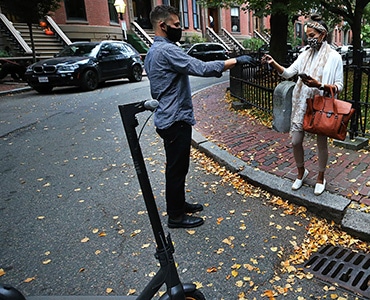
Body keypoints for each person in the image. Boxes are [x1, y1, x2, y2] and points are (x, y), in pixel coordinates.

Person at [145, 5, 255, 228]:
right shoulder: (166, 50)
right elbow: (201, 68)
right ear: (162, 25)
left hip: (168, 116)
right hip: (175, 119)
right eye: (176, 25)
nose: (180, 28)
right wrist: (236, 61)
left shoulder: (153, 51)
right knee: (176, 169)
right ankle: (176, 216)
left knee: (177, 167)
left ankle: (178, 204)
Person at [261, 15, 343, 196]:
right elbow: (289, 73)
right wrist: (272, 62)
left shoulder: (334, 57)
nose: (309, 38)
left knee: (322, 144)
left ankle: (321, 177)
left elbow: (339, 85)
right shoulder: (304, 54)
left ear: (323, 35)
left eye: (313, 35)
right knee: (295, 141)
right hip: (301, 103)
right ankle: (301, 172)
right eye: (307, 35)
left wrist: (319, 85)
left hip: (320, 104)